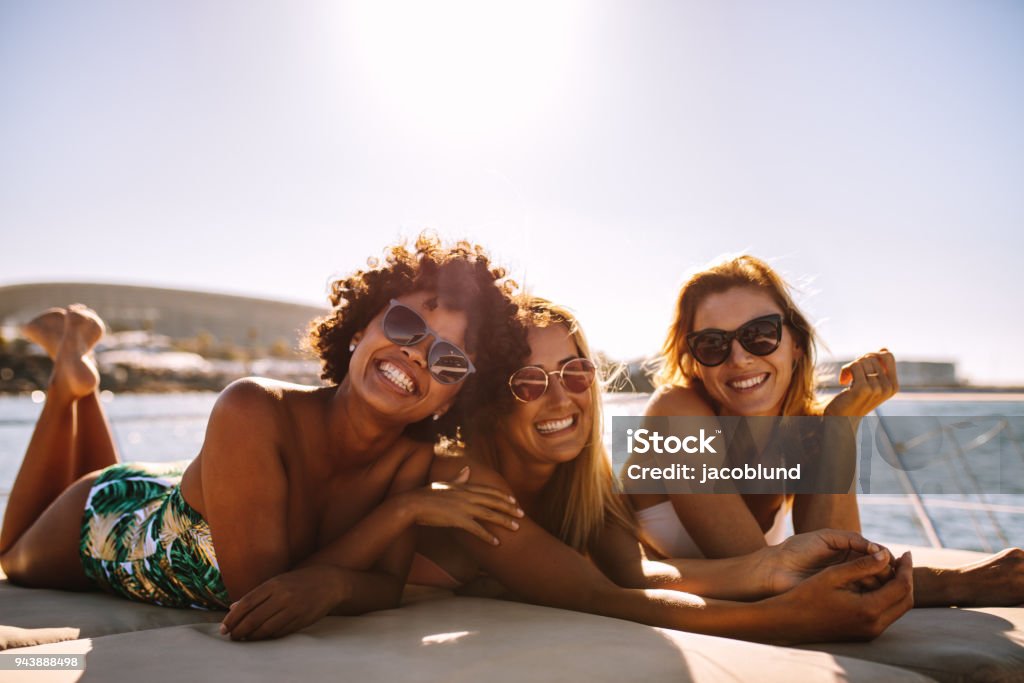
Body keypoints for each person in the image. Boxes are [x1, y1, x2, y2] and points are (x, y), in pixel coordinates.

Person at [0, 235, 524, 641]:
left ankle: (78, 378)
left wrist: (342, 579)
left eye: (449, 359)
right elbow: (261, 597)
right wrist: (401, 513)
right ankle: (69, 383)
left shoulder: (409, 460)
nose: (416, 354)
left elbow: (384, 587)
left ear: (454, 397)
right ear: (362, 326)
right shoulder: (252, 407)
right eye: (407, 323)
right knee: (11, 558)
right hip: (112, 519)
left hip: (199, 486)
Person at [317, 296, 915, 645]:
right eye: (528, 383)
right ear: (490, 404)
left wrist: (772, 565)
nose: (561, 401)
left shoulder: (579, 481)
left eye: (575, 374)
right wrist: (786, 618)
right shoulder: (464, 477)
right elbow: (594, 594)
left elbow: (638, 573)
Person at [636, 254, 1024, 607]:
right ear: (695, 361)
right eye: (712, 343)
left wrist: (841, 424)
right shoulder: (676, 413)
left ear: (796, 345)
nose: (739, 358)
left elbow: (841, 562)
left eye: (760, 335)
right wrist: (957, 584)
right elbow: (766, 573)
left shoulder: (806, 432)